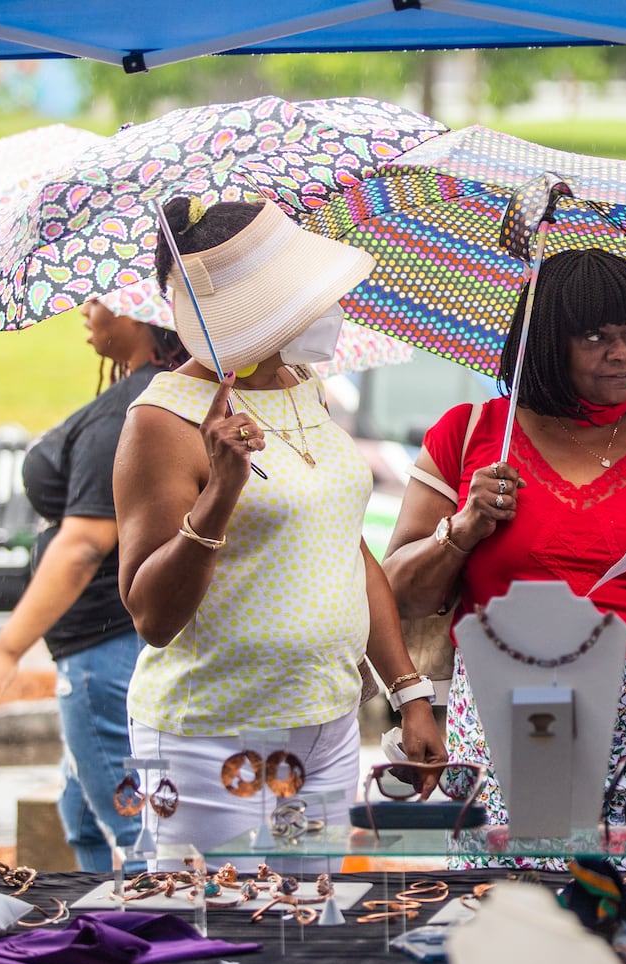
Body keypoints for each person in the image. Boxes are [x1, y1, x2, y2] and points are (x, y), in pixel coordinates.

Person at [382, 248, 626, 869]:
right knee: (520, 923)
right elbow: (401, 591)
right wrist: (465, 527)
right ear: (544, 344)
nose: (623, 354)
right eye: (595, 337)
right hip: (515, 717)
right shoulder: (472, 433)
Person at [113, 196, 444, 861]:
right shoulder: (161, 421)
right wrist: (220, 495)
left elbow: (344, 549)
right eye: (302, 294)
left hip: (326, 726)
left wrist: (408, 691)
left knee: (303, 939)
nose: (326, 308)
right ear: (251, 307)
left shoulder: (303, 386)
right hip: (212, 737)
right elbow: (151, 615)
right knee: (214, 938)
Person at [0, 298, 189, 870]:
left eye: (99, 298)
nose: (85, 308)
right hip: (114, 646)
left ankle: (147, 947)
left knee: (139, 839)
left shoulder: (130, 414)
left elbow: (84, 546)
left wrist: (3, 653)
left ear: (139, 309)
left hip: (104, 649)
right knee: (84, 822)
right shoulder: (159, 398)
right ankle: (93, 931)